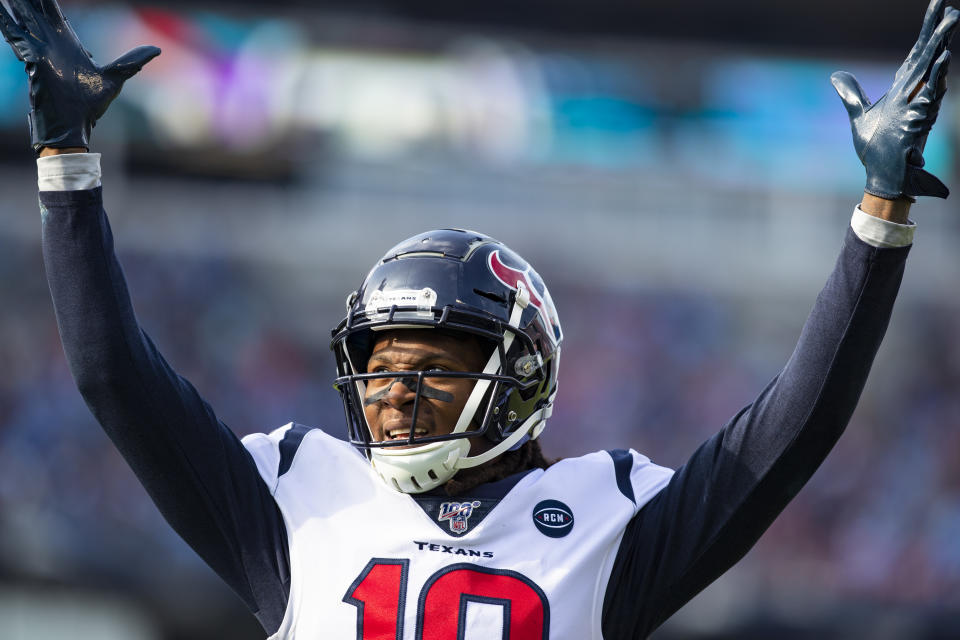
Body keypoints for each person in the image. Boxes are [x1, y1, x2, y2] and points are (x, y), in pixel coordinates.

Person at [1, 0, 956, 637]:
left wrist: (879, 220)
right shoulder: (298, 496)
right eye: (381, 362)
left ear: (522, 382)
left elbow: (796, 427)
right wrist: (66, 161)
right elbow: (111, 374)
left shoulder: (606, 520)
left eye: (436, 362)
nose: (397, 390)